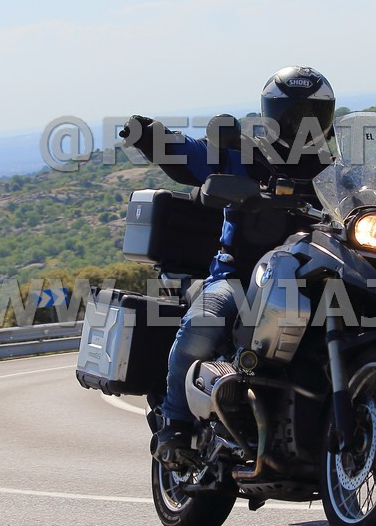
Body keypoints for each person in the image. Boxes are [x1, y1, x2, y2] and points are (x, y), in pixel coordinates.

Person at [121, 66, 335, 467]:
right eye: (292, 114)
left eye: (312, 114)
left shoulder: (336, 170)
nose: (301, 123)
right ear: (272, 114)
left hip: (314, 280)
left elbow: (374, 197)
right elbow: (191, 155)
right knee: (205, 322)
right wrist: (152, 136)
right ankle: (176, 425)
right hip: (240, 278)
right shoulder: (243, 154)